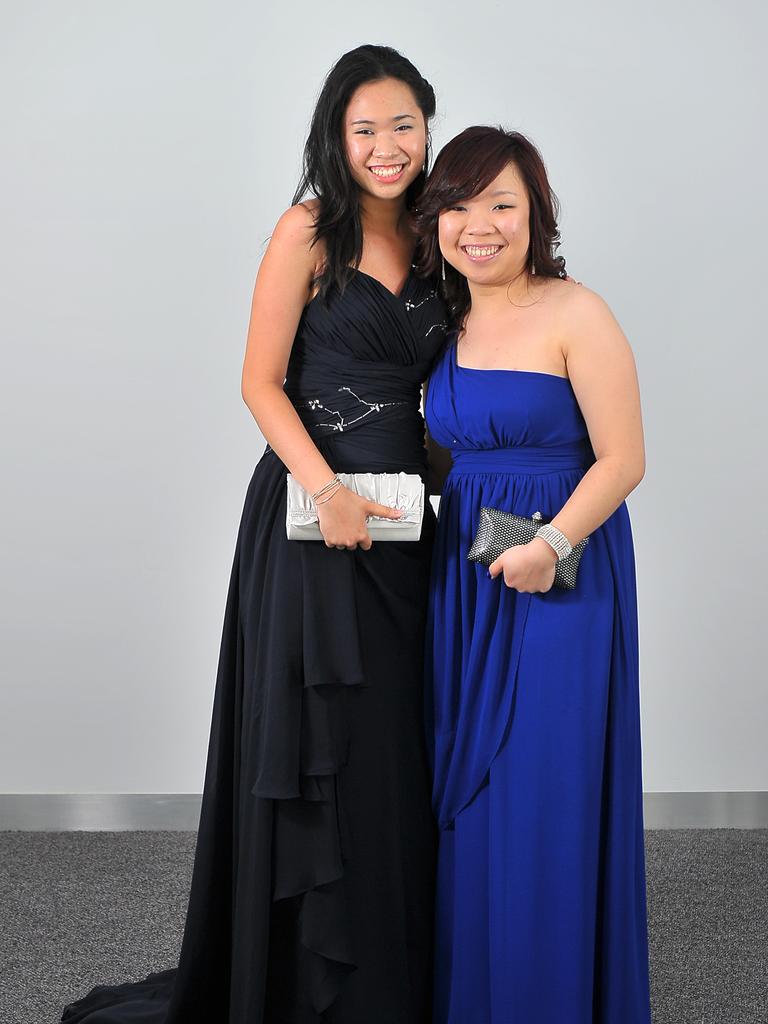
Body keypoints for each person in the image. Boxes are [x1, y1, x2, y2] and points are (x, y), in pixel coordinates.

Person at [61, 44, 448, 1024]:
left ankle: (389, 984)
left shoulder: (446, 232)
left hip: (413, 534)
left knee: (398, 756)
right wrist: (333, 488)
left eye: (403, 123)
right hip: (315, 527)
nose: (387, 144)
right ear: (336, 135)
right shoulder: (309, 229)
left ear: (428, 126)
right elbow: (258, 380)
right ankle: (307, 989)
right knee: (329, 752)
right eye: (365, 128)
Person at [416, 126, 652, 1023]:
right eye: (460, 206)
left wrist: (549, 546)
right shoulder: (444, 321)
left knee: (539, 793)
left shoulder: (576, 310)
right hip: (467, 578)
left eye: (501, 205)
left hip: (563, 575)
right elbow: (451, 462)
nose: (480, 225)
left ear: (535, 215)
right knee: (468, 796)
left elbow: (623, 460)